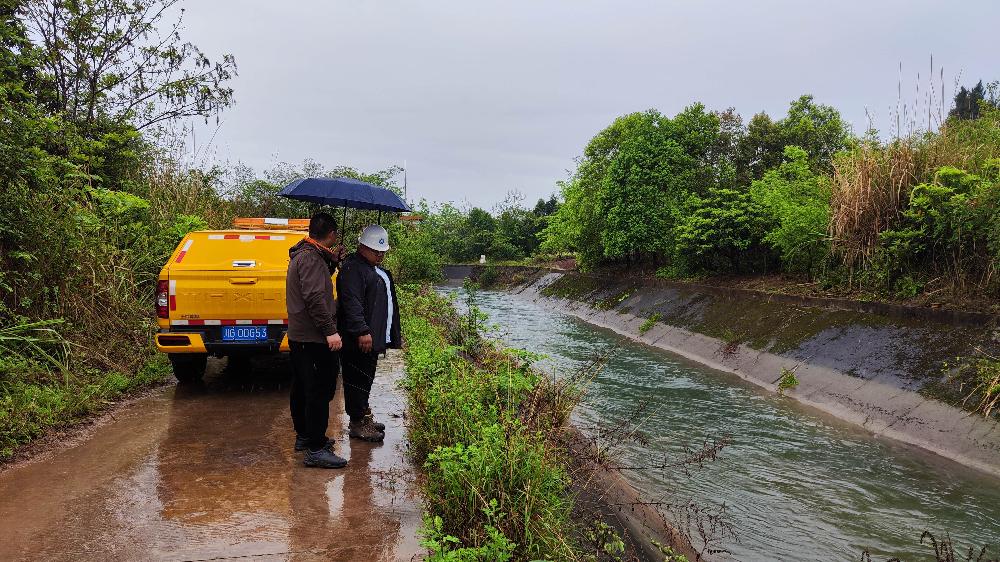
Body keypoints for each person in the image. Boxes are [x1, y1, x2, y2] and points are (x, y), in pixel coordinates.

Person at [286, 212, 347, 468]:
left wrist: (333, 261)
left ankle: (306, 436)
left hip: (302, 336)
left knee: (303, 387)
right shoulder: (310, 258)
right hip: (312, 337)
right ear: (331, 234)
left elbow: (317, 282)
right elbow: (314, 297)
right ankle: (315, 448)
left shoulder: (307, 254)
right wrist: (330, 331)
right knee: (319, 391)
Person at [337, 224, 401, 442]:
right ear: (362, 247)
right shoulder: (353, 269)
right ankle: (357, 423)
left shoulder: (371, 268)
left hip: (371, 338)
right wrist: (362, 331)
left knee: (365, 378)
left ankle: (363, 415)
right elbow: (352, 303)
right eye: (376, 251)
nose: (380, 255)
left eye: (382, 252)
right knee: (356, 379)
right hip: (358, 339)